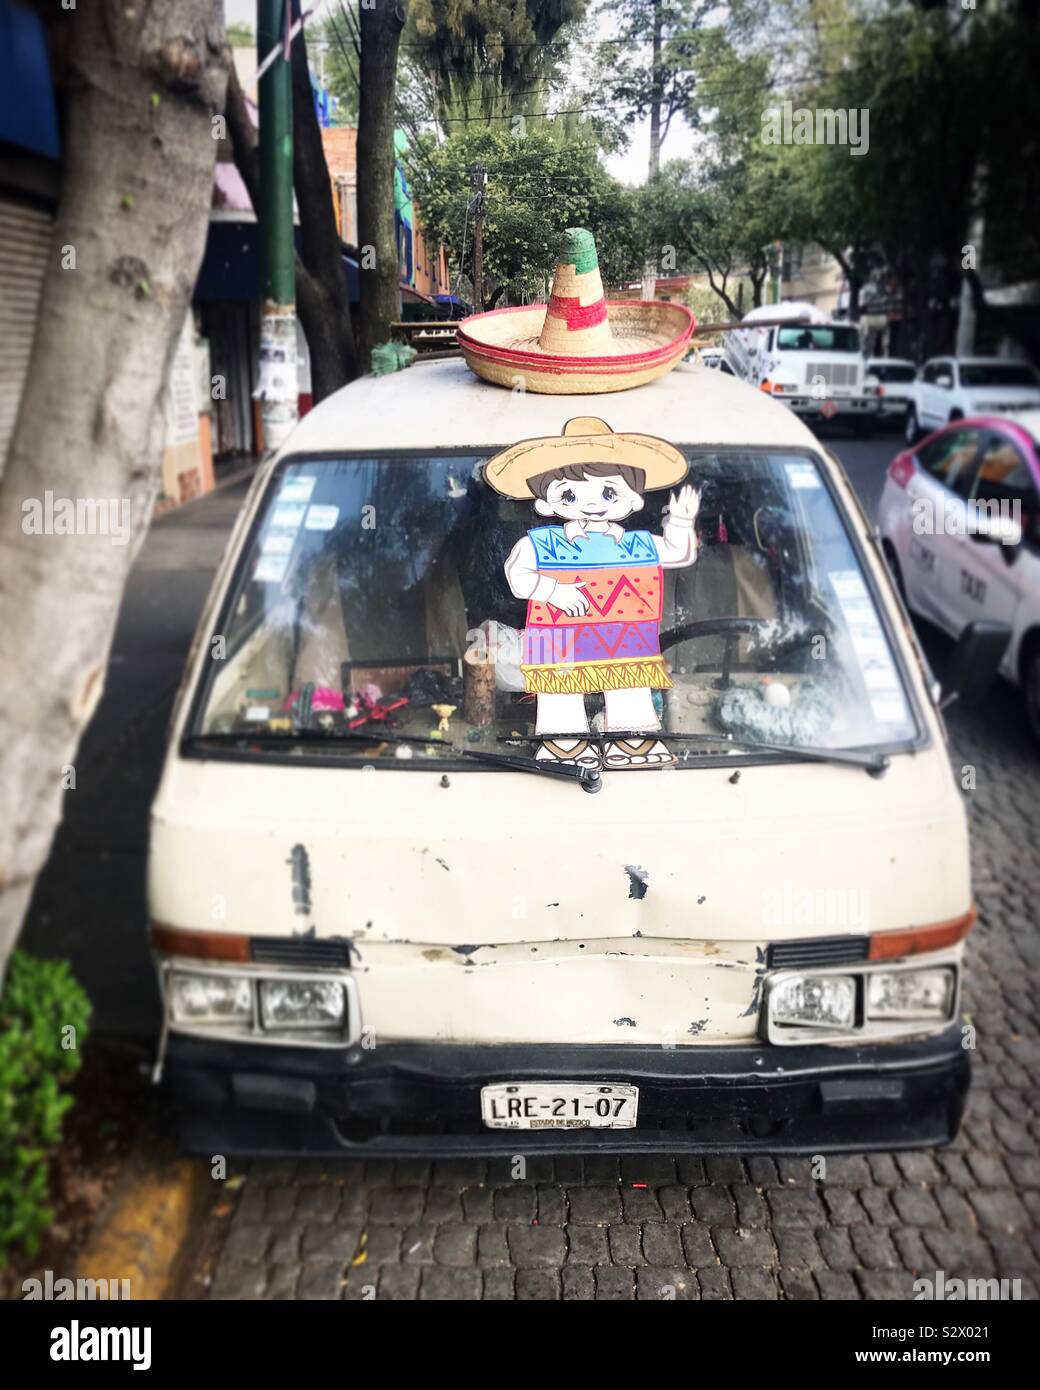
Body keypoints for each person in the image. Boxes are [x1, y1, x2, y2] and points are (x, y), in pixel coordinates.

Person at [483, 416, 701, 770]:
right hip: (557, 643)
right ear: (545, 504)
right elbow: (516, 575)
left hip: (626, 641)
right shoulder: (540, 544)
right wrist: (552, 590)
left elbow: (679, 553)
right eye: (569, 494)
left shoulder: (639, 545)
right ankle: (562, 748)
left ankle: (633, 747)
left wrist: (679, 522)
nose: (592, 503)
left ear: (633, 499)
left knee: (629, 694)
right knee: (559, 700)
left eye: (609, 492)